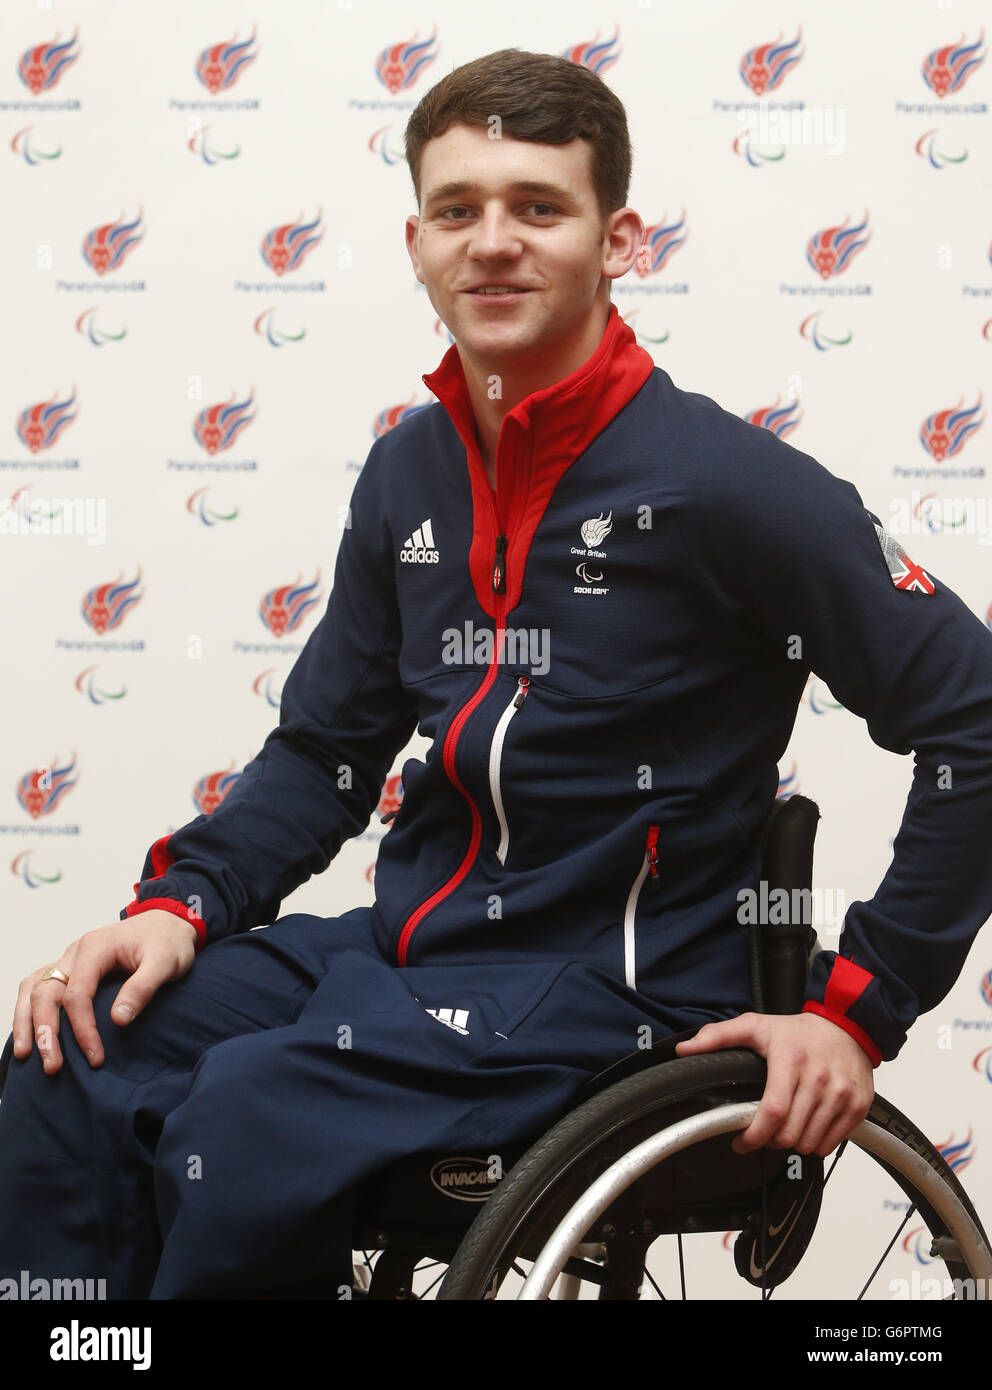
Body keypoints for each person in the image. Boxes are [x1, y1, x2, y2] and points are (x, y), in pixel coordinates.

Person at [2, 48, 991, 1300]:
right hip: (413, 956)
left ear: (617, 239)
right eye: (457, 209)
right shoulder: (408, 473)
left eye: (537, 207)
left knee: (253, 1112)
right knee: (72, 1047)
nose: (492, 243)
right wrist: (179, 903)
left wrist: (858, 1008)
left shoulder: (726, 486)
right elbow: (326, 752)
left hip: (621, 991)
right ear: (415, 242)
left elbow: (973, 715)